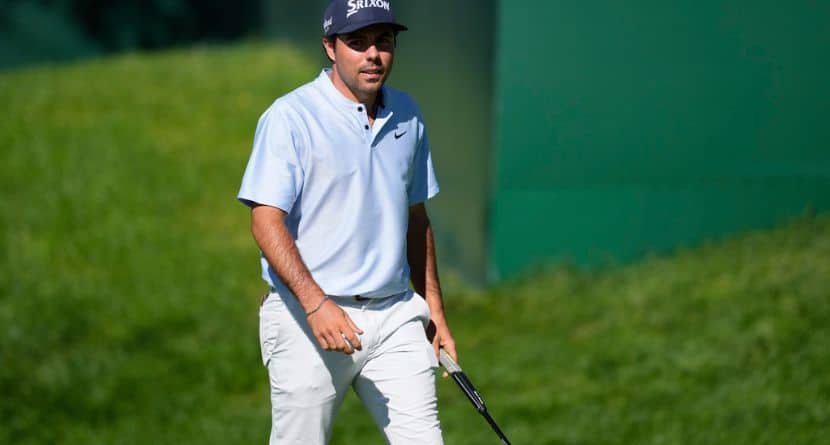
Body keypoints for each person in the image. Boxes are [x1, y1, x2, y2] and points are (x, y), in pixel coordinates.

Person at [237, 1, 456, 443]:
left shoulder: (409, 115)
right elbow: (265, 222)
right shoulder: (290, 117)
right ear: (329, 47)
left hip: (394, 316)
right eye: (357, 43)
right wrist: (315, 304)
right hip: (309, 317)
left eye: (383, 41)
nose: (372, 54)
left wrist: (435, 310)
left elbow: (417, 219)